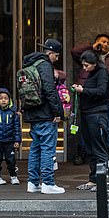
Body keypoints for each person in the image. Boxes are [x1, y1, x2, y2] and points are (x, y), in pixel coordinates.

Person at [71, 34, 109, 158]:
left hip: (107, 99)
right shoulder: (88, 55)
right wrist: (92, 46)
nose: (105, 44)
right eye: (102, 42)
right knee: (87, 131)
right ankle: (84, 154)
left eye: (107, 42)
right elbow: (74, 52)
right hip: (87, 101)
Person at [22, 39, 65, 195]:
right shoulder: (45, 65)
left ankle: (33, 183)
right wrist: (58, 112)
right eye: (57, 56)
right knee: (47, 148)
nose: (57, 59)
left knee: (35, 148)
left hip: (32, 112)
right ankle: (48, 182)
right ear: (50, 53)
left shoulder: (30, 64)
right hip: (45, 113)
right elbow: (49, 89)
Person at [71, 50, 109, 192]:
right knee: (90, 149)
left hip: (97, 114)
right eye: (83, 65)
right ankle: (93, 180)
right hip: (88, 114)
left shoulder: (102, 73)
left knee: (99, 149)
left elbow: (101, 91)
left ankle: (102, 180)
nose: (84, 68)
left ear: (94, 64)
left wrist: (83, 90)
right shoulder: (94, 73)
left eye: (87, 65)